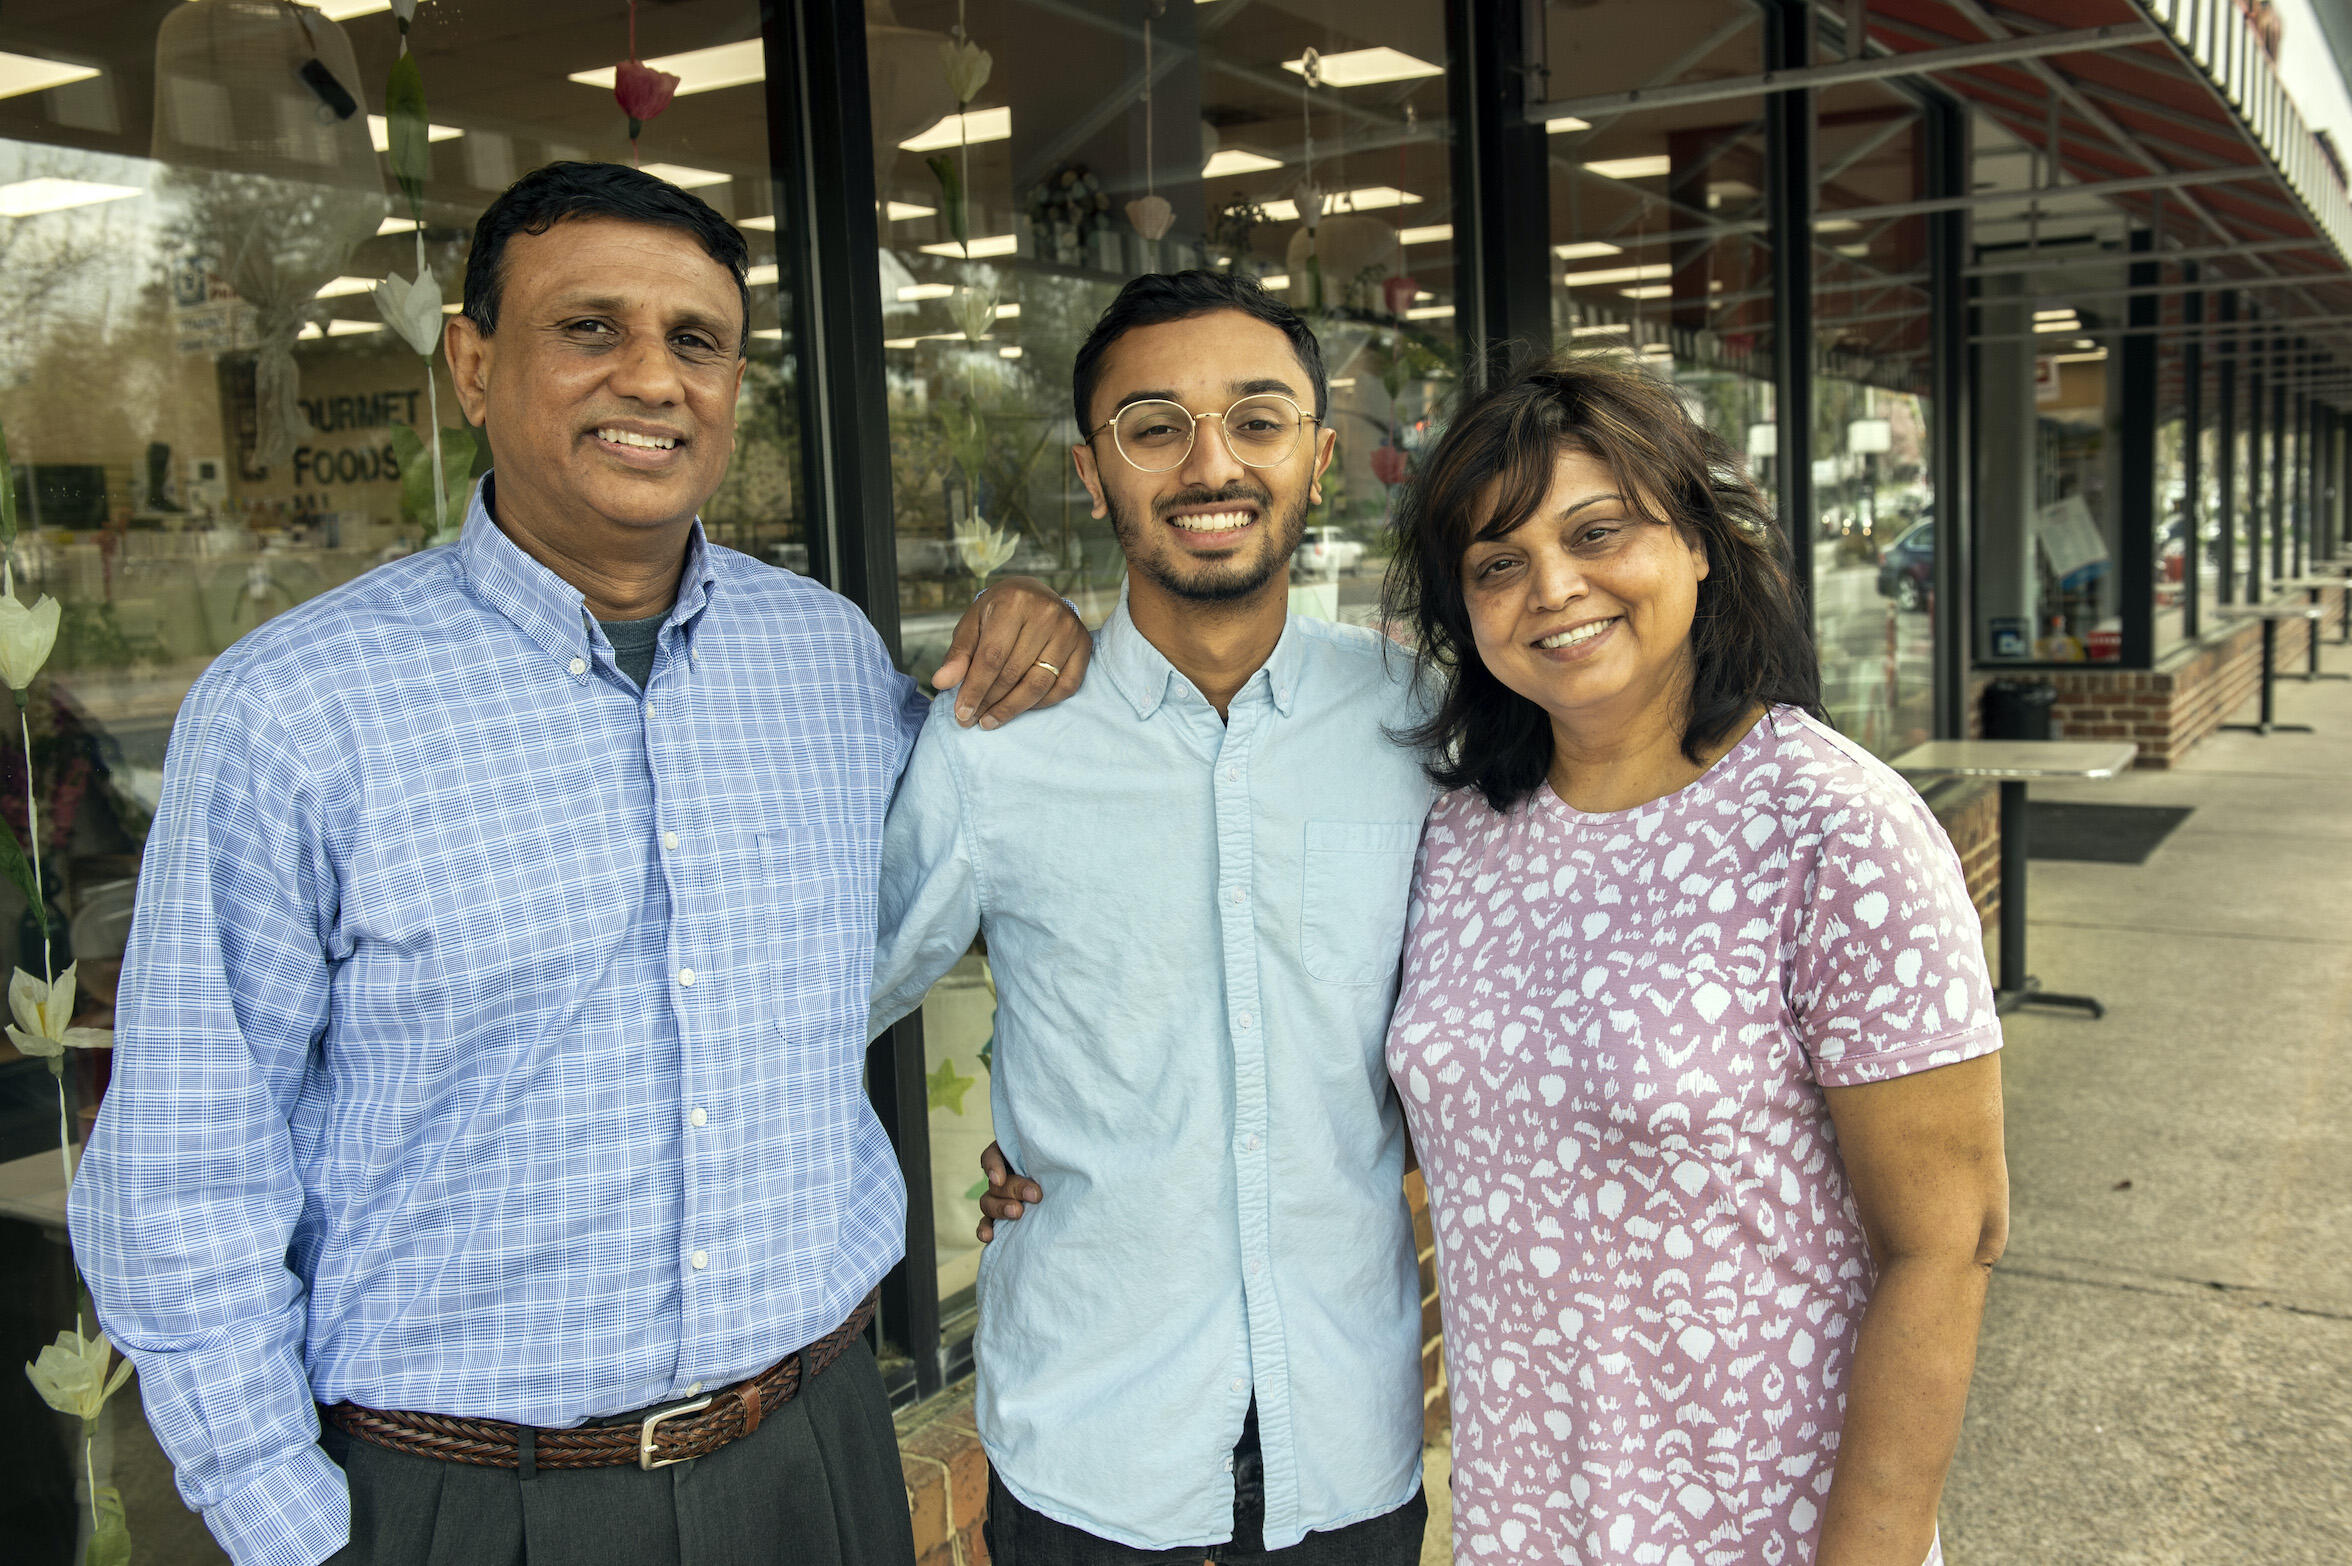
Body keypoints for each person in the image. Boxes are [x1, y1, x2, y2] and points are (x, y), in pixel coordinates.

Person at [68, 161, 1091, 1566]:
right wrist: (280, 1514)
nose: (652, 378)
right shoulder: (292, 712)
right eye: (590, 328)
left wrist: (1041, 631)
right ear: (475, 362)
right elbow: (186, 1158)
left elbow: (986, 872)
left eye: (696, 340)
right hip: (466, 1500)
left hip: (816, 1451)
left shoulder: (823, 659)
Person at [1383, 356, 2007, 1565]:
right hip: (1525, 1531)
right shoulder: (1458, 834)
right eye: (1497, 563)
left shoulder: (1832, 829)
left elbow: (1948, 1242)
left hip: (1767, 1532)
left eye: (1597, 530)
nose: (1552, 587)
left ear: (1703, 544)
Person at [870, 270, 1433, 1564]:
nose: (1210, 463)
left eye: (1256, 418)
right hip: (1089, 1447)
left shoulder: (1419, 726)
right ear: (1091, 470)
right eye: (1154, 425)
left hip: (1347, 1442)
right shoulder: (997, 745)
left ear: (1320, 454)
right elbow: (836, 995)